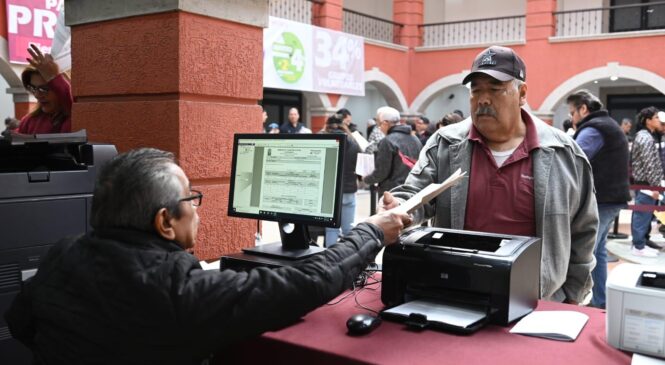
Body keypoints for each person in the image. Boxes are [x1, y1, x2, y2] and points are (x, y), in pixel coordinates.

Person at [5, 148, 411, 364]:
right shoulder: (176, 292)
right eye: (191, 199)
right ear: (165, 222)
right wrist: (372, 230)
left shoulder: (63, 253)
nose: (197, 210)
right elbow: (308, 282)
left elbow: (19, 322)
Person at [385, 45, 598, 304]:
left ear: (521, 93)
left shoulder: (565, 154)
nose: (483, 99)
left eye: (495, 89)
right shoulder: (445, 144)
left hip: (535, 300)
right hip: (456, 291)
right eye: (476, 91)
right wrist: (399, 207)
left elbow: (584, 231)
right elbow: (416, 195)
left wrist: (569, 296)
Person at [567, 90, 630, 309]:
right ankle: (600, 301)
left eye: (573, 113)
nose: (573, 118)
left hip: (603, 199)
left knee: (585, 252)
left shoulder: (594, 128)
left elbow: (572, 158)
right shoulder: (608, 124)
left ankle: (577, 301)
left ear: (583, 108)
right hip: (612, 198)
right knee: (598, 251)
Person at [363, 106, 422, 195]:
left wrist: (367, 179)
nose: (378, 127)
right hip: (413, 189)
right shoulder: (415, 139)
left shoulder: (387, 141)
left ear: (385, 123)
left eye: (379, 124)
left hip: (392, 192)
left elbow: (382, 172)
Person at [630, 107, 664, 257]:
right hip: (645, 183)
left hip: (647, 183)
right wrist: (654, 187)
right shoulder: (645, 138)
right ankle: (638, 246)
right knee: (642, 214)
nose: (658, 120)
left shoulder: (648, 136)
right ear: (648, 121)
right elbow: (649, 164)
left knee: (645, 213)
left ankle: (641, 242)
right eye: (656, 117)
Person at [322, 114, 361, 246]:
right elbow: (359, 166)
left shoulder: (324, 140)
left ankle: (329, 259)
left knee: (331, 229)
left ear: (327, 126)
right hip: (349, 189)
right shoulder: (354, 142)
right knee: (348, 229)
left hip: (329, 191)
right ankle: (347, 257)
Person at [18, 44, 72, 134]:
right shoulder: (28, 122)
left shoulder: (77, 116)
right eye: (33, 88)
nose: (37, 95)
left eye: (44, 89)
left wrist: (53, 77)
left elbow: (72, 105)